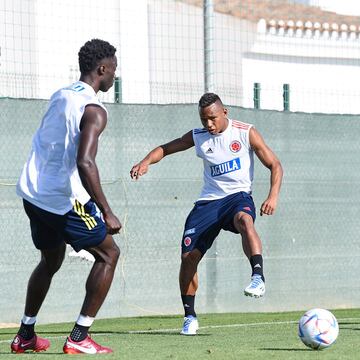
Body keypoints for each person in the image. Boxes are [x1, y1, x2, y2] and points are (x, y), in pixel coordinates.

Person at [130, 93, 283, 335]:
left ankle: (257, 277)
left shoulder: (245, 132)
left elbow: (275, 164)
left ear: (225, 112)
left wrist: (272, 196)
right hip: (208, 203)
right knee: (188, 258)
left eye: (212, 118)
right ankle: (189, 316)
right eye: (204, 120)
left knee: (245, 220)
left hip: (237, 197)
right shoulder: (199, 136)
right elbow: (166, 148)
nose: (208, 124)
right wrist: (145, 162)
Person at [11, 39, 121, 354]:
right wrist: (106, 211)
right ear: (103, 69)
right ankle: (79, 337)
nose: (114, 75)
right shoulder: (94, 109)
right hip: (64, 198)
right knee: (109, 255)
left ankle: (25, 335)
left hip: (34, 193)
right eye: (113, 69)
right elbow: (85, 162)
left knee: (51, 259)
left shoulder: (61, 94)